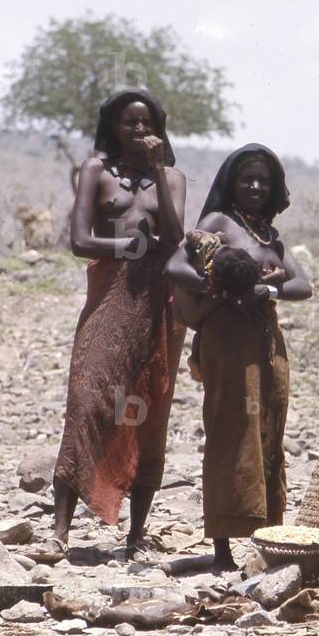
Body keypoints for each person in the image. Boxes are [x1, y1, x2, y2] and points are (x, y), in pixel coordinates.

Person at [29, 88, 187, 563]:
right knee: (87, 403)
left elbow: (175, 239)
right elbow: (79, 240)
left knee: (148, 412)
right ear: (113, 127)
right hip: (108, 299)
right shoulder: (95, 171)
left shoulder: (173, 178)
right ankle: (59, 532)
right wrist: (126, 247)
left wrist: (158, 169)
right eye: (128, 122)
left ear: (159, 128)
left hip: (158, 304)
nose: (138, 130)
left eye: (146, 123)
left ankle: (136, 534)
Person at [166, 143, 312, 570]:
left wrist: (266, 288)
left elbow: (303, 286)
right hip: (227, 341)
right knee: (231, 430)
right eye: (247, 178)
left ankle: (268, 537)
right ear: (231, 182)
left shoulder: (270, 235)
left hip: (266, 342)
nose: (255, 186)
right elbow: (175, 267)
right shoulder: (218, 223)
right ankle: (222, 550)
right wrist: (218, 285)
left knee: (268, 428)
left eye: (263, 180)